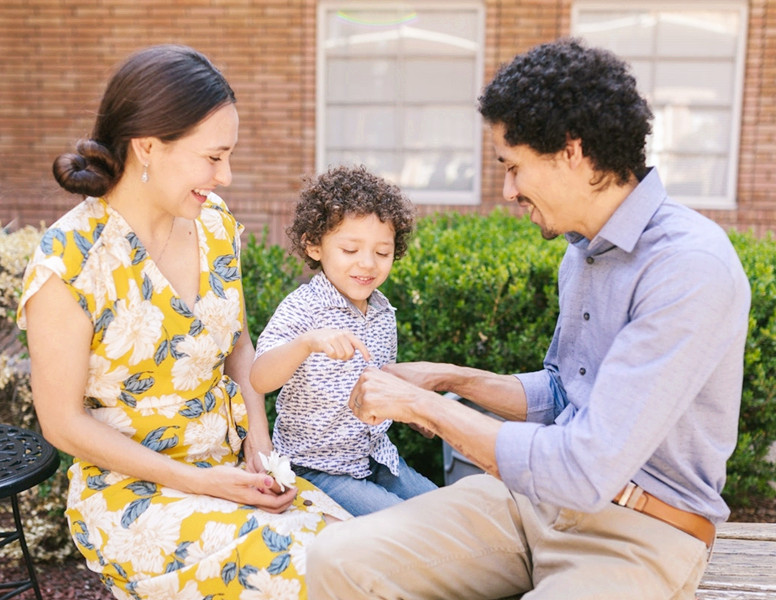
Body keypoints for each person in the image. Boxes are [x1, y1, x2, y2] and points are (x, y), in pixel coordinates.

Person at [307, 37, 751, 599]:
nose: (508, 189)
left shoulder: (688, 268)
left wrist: (427, 407)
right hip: (528, 504)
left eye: (514, 166)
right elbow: (570, 393)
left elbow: (585, 467)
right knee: (339, 558)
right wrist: (448, 379)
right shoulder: (582, 250)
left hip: (640, 531)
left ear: (572, 152)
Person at [17, 44, 348, 600]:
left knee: (361, 553)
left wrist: (260, 445)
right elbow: (62, 423)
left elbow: (238, 342)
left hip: (231, 467)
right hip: (131, 496)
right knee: (311, 570)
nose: (227, 175)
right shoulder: (68, 262)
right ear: (148, 146)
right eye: (213, 157)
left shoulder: (216, 225)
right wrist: (201, 483)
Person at [250, 165, 437, 516]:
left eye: (382, 253)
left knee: (451, 510)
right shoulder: (303, 307)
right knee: (407, 525)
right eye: (350, 249)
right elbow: (259, 377)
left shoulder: (383, 312)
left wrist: (413, 412)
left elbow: (381, 390)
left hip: (376, 458)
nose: (367, 263)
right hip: (318, 469)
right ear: (314, 245)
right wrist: (306, 343)